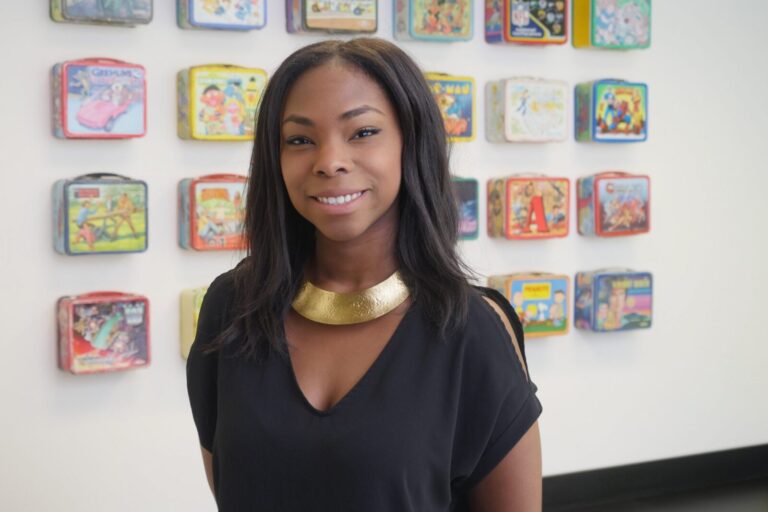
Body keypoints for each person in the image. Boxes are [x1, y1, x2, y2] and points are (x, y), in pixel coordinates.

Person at [186, 38, 542, 511]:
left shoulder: (471, 329)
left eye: (362, 133)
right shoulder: (232, 306)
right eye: (299, 139)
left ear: (410, 143)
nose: (329, 160)